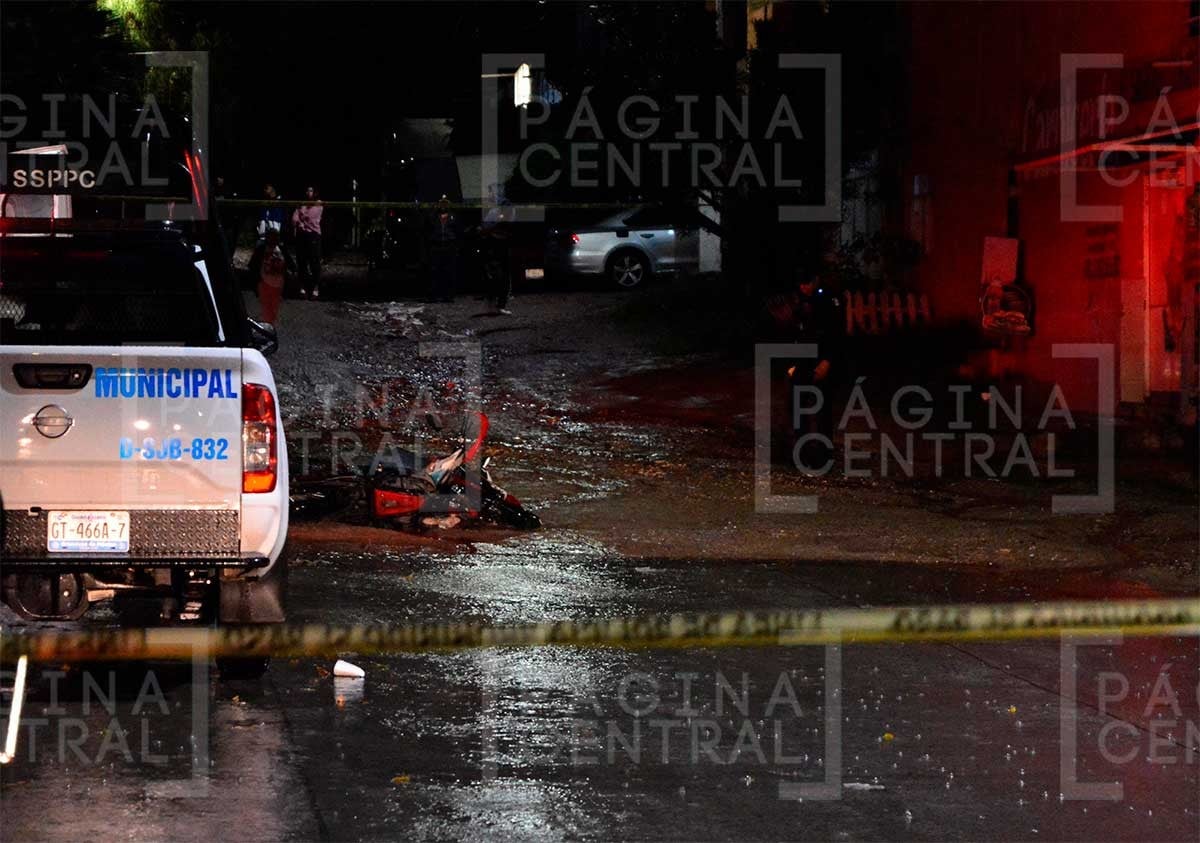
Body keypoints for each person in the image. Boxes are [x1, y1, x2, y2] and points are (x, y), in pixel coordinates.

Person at [786, 269, 844, 473]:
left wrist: (827, 361)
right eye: (800, 284)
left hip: (821, 360)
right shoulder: (798, 302)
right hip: (802, 361)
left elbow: (835, 334)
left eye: (806, 283)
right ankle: (800, 454)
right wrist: (792, 364)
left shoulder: (828, 301)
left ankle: (823, 455)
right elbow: (793, 332)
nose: (803, 288)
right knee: (797, 409)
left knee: (822, 411)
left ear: (815, 281)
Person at [292, 185, 324, 299]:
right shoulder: (302, 203)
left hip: (313, 235)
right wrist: (299, 220)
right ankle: (303, 287)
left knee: (314, 262)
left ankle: (315, 287)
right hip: (301, 235)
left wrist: (301, 218)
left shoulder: (318, 203)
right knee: (302, 262)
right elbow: (294, 218)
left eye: (310, 190)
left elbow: (310, 217)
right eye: (307, 190)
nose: (308, 192)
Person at [427, 195, 459, 302]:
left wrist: (454, 243)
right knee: (435, 271)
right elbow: (427, 228)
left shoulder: (453, 216)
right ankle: (434, 296)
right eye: (441, 203)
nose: (443, 205)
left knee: (449, 272)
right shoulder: (433, 216)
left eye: (445, 203)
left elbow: (458, 230)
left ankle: (448, 296)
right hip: (436, 246)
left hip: (449, 246)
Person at [258, 228, 286, 325]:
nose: (272, 240)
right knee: (266, 307)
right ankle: (267, 324)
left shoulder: (281, 249)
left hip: (277, 284)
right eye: (270, 237)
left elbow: (289, 265)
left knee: (274, 307)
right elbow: (253, 264)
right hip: (264, 282)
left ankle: (270, 323)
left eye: (275, 237)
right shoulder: (261, 249)